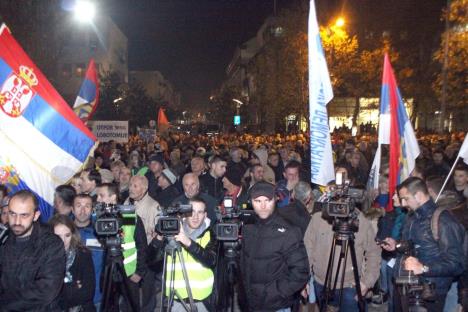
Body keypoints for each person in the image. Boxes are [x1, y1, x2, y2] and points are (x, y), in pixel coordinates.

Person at [382, 177, 466, 312]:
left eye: (406, 198)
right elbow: (413, 247)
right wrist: (396, 246)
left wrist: (424, 268)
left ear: (419, 196)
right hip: (405, 287)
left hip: (429, 293)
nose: (403, 203)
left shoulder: (444, 220)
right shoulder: (411, 217)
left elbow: (457, 264)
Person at [304, 193, 381, 312]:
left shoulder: (361, 222)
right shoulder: (318, 219)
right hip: (320, 283)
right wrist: (303, 279)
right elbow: (307, 250)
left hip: (351, 287)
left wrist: (367, 282)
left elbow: (374, 253)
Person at [240, 181, 309, 311]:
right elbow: (245, 264)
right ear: (251, 202)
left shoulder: (289, 231)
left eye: (267, 200)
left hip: (276, 305)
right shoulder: (247, 228)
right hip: (251, 304)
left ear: (275, 200)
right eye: (258, 201)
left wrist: (276, 293)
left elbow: (300, 272)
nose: (263, 206)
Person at [147, 197, 217, 311]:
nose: (195, 216)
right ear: (185, 214)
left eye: (200, 212)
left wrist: (188, 242)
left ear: (205, 215)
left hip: (203, 303)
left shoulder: (211, 234)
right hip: (174, 302)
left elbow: (211, 260)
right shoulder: (171, 231)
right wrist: (159, 236)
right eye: (192, 211)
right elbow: (151, 261)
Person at [0, 190, 66, 311]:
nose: (17, 221)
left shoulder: (51, 244)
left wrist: (4, 303)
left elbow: (47, 290)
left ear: (35, 215)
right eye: (12, 214)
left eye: (24, 215)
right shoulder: (3, 238)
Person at [49, 214, 96, 312]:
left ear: (73, 235)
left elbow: (88, 293)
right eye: (58, 236)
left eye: (67, 235)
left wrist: (61, 290)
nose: (63, 241)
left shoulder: (83, 254)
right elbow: (44, 295)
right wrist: (72, 287)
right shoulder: (43, 258)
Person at [72, 193, 104, 309]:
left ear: (92, 209)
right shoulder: (64, 232)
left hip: (96, 296)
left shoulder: (100, 234)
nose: (83, 210)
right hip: (69, 296)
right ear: (72, 209)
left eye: (87, 206)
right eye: (79, 205)